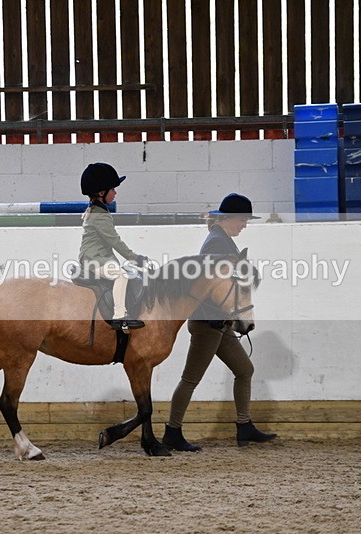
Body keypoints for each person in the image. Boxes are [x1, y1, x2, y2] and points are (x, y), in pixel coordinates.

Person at [162, 193, 277, 451]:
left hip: (219, 322)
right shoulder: (217, 245)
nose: (245, 225)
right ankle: (172, 431)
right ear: (230, 218)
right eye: (243, 220)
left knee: (244, 370)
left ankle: (244, 426)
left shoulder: (223, 241)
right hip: (208, 324)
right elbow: (212, 287)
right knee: (190, 379)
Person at [79, 162, 148, 331]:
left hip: (97, 256)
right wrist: (134, 257)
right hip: (94, 259)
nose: (115, 193)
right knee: (122, 275)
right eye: (113, 189)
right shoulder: (100, 216)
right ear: (101, 192)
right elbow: (115, 241)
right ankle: (119, 316)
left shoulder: (95, 210)